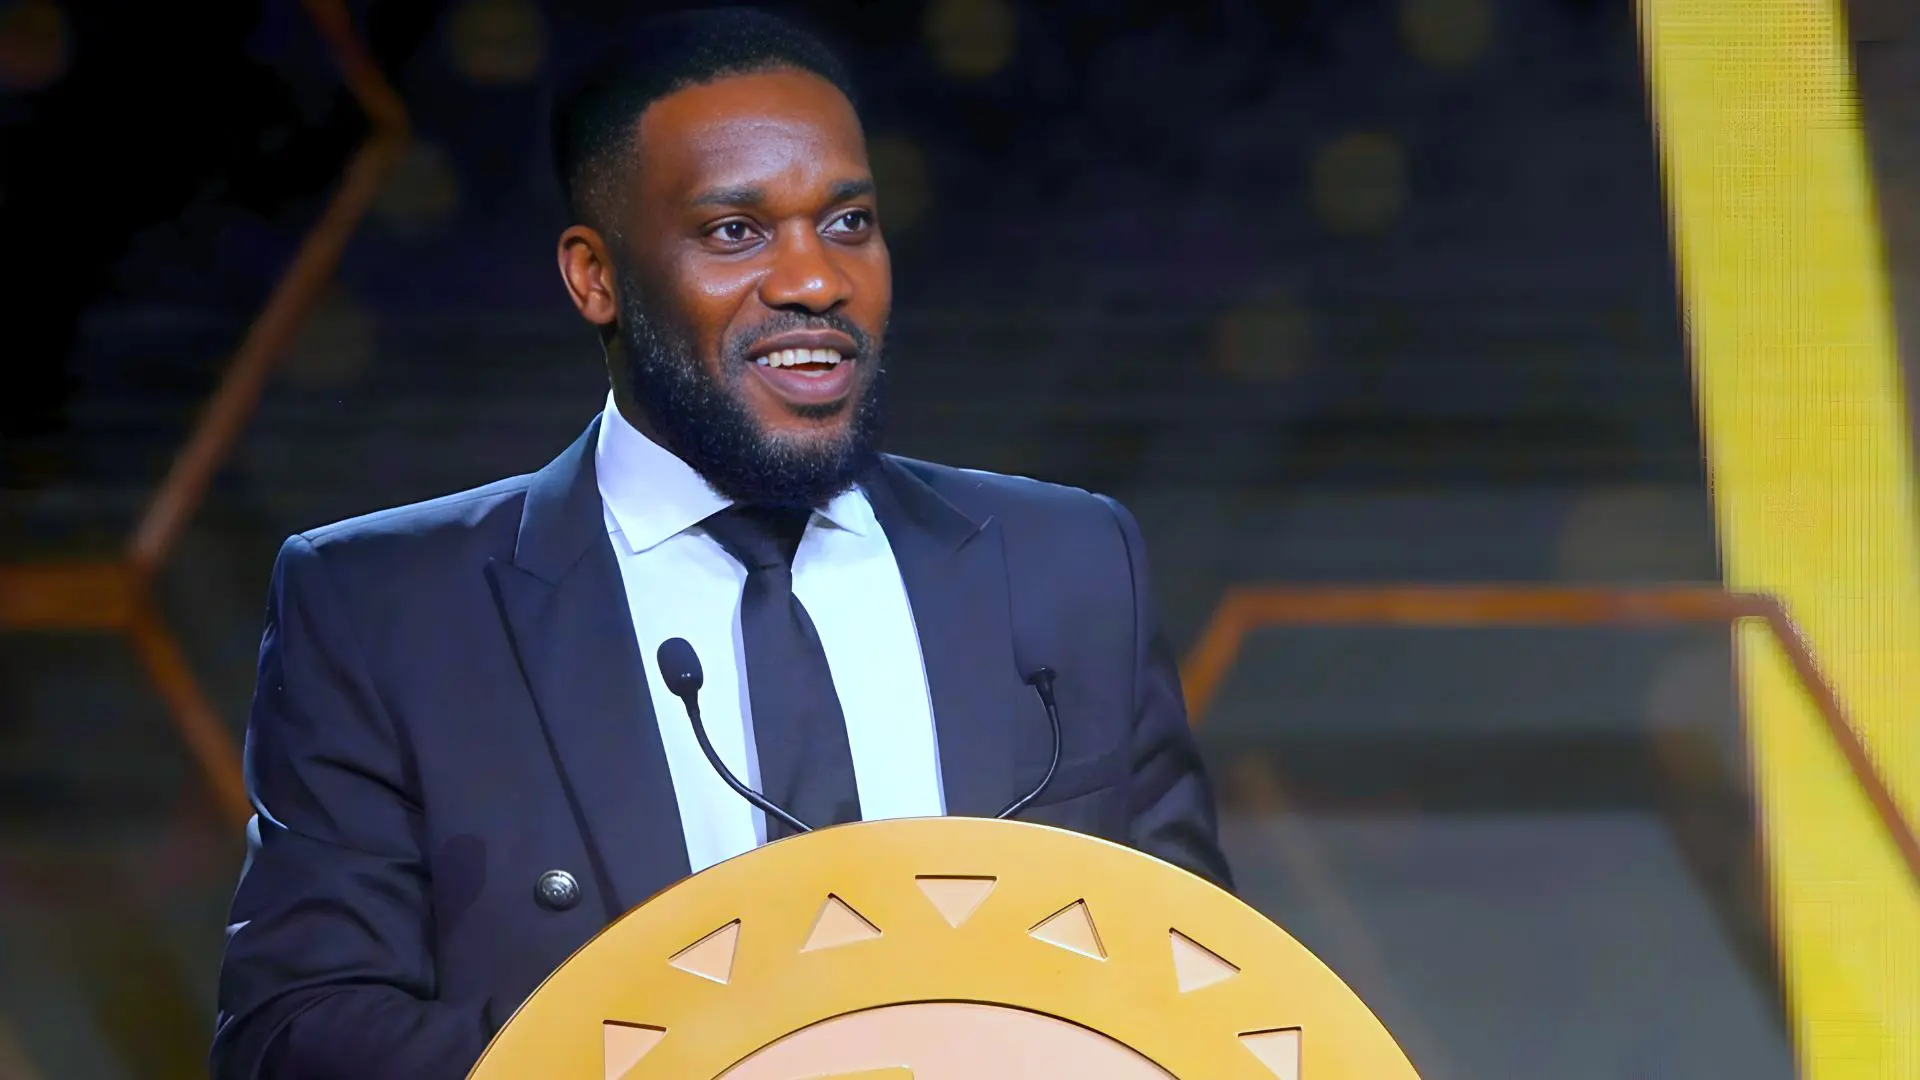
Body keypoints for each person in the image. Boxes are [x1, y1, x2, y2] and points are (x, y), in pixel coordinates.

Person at [211, 9, 1230, 1079]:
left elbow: (1208, 990)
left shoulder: (1072, 565)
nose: (814, 281)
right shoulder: (385, 611)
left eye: (848, 222)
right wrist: (697, 1052)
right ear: (596, 278)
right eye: (736, 232)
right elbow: (295, 1041)